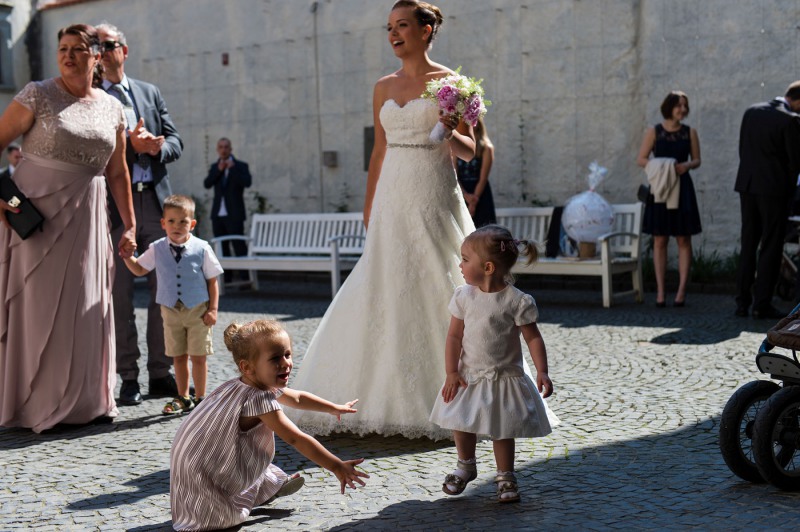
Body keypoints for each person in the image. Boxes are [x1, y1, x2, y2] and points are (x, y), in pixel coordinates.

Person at [288, 0, 477, 440]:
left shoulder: (454, 83)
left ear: (427, 30)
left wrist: (451, 130)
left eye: (403, 25)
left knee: (439, 276)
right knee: (385, 280)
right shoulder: (382, 86)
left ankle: (463, 392)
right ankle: (375, 393)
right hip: (393, 190)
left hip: (434, 188)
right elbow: (378, 151)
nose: (394, 34)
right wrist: (369, 203)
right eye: (389, 27)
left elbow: (471, 151)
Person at [0, 24, 136, 432]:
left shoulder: (113, 107)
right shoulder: (36, 94)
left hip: (91, 213)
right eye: (63, 48)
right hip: (33, 215)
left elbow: (118, 172)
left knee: (85, 306)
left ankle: (85, 401)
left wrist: (128, 226)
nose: (69, 56)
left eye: (79, 49)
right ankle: (28, 404)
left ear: (98, 58)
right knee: (37, 308)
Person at [170, 319, 369, 531]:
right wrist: (336, 466)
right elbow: (295, 438)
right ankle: (258, 490)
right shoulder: (259, 399)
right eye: (275, 358)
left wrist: (333, 408)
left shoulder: (242, 384)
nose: (285, 363)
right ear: (247, 367)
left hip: (196, 464)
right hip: (203, 477)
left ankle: (268, 485)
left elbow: (298, 398)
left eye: (287, 354)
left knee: (251, 449)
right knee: (223, 516)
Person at [429, 225, 556, 503]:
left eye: (465, 259)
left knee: (502, 427)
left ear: (487, 267)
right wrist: (451, 372)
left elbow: (533, 338)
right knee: (460, 421)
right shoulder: (464, 297)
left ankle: (505, 475)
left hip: (503, 376)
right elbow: (453, 336)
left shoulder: (516, 301)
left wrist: (542, 370)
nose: (460, 265)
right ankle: (466, 465)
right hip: (468, 375)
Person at [96, 22, 185, 405]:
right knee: (119, 294)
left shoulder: (149, 92)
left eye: (108, 45)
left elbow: (176, 139)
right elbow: (94, 153)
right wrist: (132, 148)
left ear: (124, 50)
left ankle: (160, 373)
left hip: (155, 202)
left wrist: (155, 149)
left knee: (162, 291)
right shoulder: (92, 97)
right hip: (114, 208)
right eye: (95, 46)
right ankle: (127, 376)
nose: (101, 51)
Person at [121, 195, 223, 415]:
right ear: (163, 223)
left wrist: (213, 309)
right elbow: (140, 269)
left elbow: (213, 280)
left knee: (198, 356)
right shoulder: (157, 248)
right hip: (170, 311)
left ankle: (201, 397)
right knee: (178, 356)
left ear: (192, 224)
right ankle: (183, 396)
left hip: (198, 311)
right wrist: (127, 257)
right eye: (172, 221)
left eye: (183, 222)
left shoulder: (202, 248)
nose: (177, 226)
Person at [735, 82, 800, 319]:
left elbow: (743, 150)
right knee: (771, 245)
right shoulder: (790, 120)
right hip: (774, 190)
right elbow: (795, 164)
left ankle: (741, 302)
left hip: (747, 185)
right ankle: (762, 304)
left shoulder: (751, 111)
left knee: (748, 244)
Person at [636, 91, 702, 308]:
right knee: (660, 239)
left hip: (682, 187)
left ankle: (681, 291)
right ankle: (661, 292)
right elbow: (641, 159)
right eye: (679, 105)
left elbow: (697, 160)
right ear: (669, 107)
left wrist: (686, 166)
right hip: (661, 189)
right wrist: (664, 166)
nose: (682, 109)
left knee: (683, 239)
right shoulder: (654, 132)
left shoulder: (689, 132)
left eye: (685, 105)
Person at [203, 137, 252, 283]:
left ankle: (245, 279)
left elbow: (247, 182)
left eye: (226, 147)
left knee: (239, 246)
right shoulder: (215, 166)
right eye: (221, 147)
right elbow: (207, 183)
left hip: (234, 214)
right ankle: (227, 279)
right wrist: (218, 171)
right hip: (218, 214)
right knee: (221, 248)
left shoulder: (240, 166)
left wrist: (233, 169)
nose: (223, 150)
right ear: (218, 150)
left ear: (230, 149)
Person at [456, 117, 496, 227]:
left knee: (483, 228)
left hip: (480, 193)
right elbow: (454, 174)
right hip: (461, 190)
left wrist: (474, 200)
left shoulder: (486, 148)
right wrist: (464, 195)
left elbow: (483, 178)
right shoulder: (457, 146)